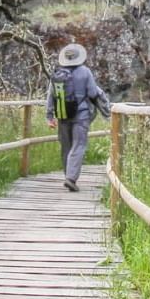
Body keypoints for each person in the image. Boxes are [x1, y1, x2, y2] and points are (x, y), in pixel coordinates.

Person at [46, 43, 110, 192]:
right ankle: (71, 178)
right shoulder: (85, 72)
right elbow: (93, 93)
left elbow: (51, 96)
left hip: (62, 115)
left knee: (66, 146)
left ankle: (67, 175)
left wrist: (49, 116)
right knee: (78, 145)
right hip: (81, 115)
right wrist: (105, 110)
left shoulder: (57, 73)